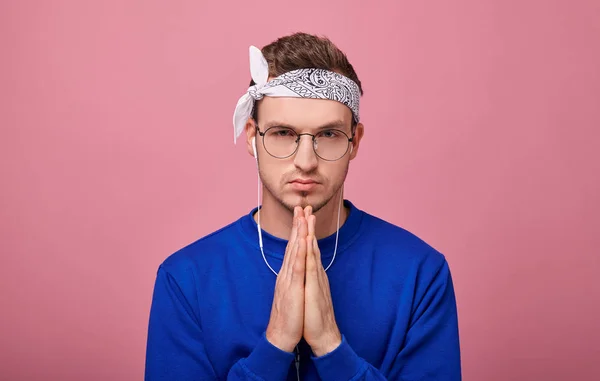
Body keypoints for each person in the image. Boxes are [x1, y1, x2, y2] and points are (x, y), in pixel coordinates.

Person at [145, 32, 461, 381]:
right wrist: (275, 344)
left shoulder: (420, 274)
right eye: (283, 133)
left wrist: (330, 346)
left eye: (328, 134)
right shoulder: (185, 279)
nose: (306, 161)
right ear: (252, 136)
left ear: (354, 141)